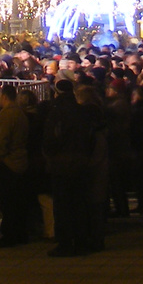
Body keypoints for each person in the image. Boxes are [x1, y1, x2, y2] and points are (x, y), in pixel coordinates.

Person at [43, 77, 99, 257]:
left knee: (63, 204)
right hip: (80, 161)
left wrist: (51, 155)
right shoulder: (81, 111)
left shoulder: (56, 111)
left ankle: (65, 242)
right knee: (79, 203)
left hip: (62, 163)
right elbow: (91, 137)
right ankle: (81, 240)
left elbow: (51, 138)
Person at [0, 84, 31, 247]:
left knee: (9, 201)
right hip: (20, 159)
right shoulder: (20, 113)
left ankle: (10, 234)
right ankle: (20, 233)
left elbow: (2, 139)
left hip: (9, 162)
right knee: (18, 201)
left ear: (4, 96)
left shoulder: (7, 115)